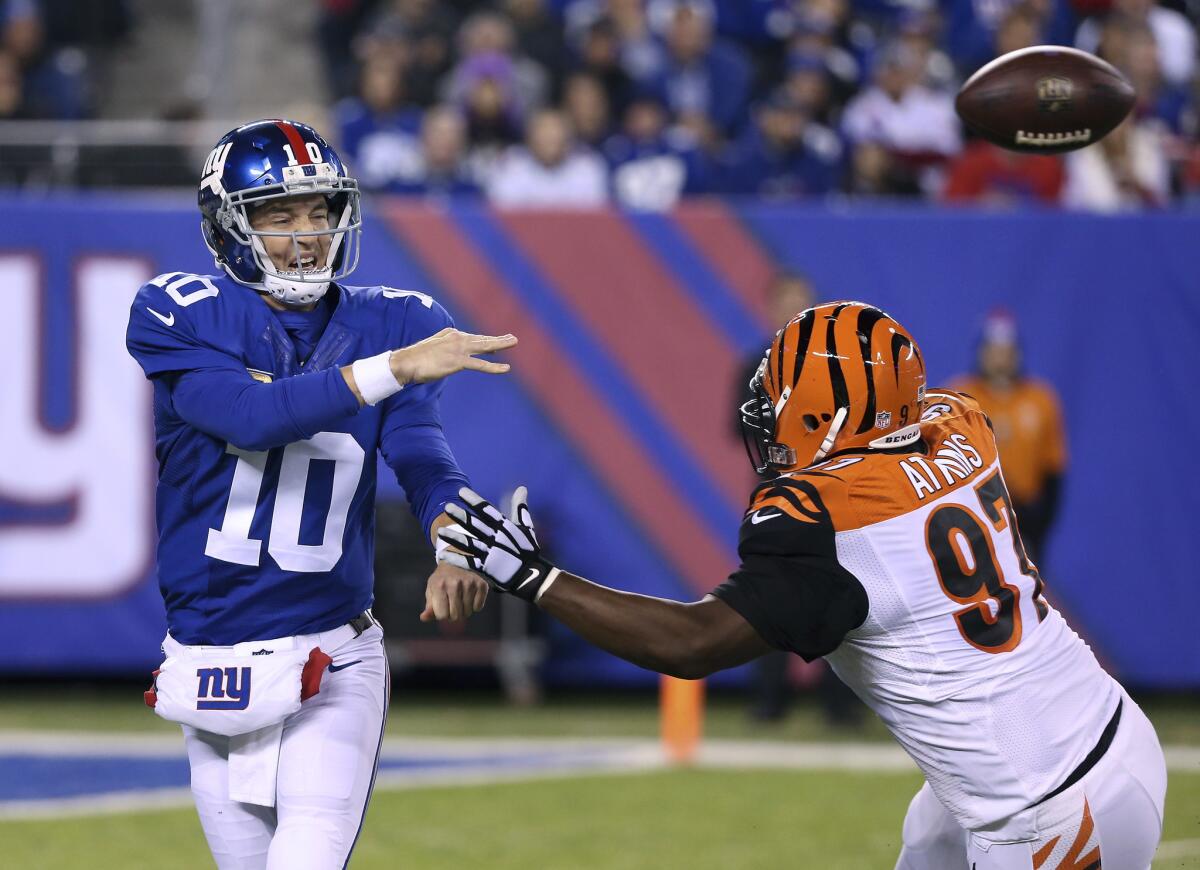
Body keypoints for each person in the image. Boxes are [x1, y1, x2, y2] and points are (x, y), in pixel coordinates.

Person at [440, 301, 1166, 869]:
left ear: (836, 417)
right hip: (1095, 733)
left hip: (1048, 806)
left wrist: (533, 577)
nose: (774, 425)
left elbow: (692, 644)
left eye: (786, 404)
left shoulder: (829, 519)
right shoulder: (961, 428)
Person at [125, 119, 516, 869]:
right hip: (209, 659)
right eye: (279, 215)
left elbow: (421, 455)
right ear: (228, 228)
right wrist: (393, 368)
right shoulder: (178, 310)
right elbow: (250, 416)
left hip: (330, 654)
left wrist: (456, 538)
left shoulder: (396, 320)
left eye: (320, 211)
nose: (307, 234)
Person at [949, 311, 1067, 559]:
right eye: (994, 350)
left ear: (1018, 353)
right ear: (981, 352)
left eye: (1007, 350)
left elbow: (1053, 468)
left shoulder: (1040, 400)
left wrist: (1039, 525)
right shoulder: (960, 398)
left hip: (1026, 520)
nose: (1001, 359)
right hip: (975, 518)